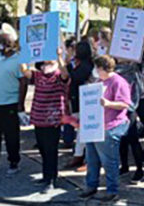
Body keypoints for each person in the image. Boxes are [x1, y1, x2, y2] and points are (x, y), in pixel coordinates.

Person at [79, 55, 131, 202]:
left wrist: (108, 104)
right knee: (92, 159)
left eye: (97, 68)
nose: (95, 71)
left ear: (102, 68)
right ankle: (91, 186)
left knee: (109, 161)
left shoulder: (118, 82)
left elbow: (125, 104)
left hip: (110, 126)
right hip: (95, 126)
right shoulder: (99, 81)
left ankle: (112, 190)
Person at [20, 49, 70, 193]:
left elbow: (65, 74)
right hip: (38, 118)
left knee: (50, 150)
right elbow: (24, 70)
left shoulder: (59, 75)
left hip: (52, 119)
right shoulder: (39, 75)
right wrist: (25, 53)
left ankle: (51, 179)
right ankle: (46, 175)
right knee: (42, 148)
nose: (46, 62)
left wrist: (59, 56)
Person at [0, 26, 27, 177]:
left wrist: (20, 104)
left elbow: (23, 82)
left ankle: (14, 162)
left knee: (11, 135)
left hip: (10, 103)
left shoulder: (19, 59)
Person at [64, 41, 95, 170]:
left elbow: (75, 77)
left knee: (84, 130)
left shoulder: (87, 66)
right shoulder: (81, 64)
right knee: (80, 130)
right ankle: (79, 155)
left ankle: (85, 158)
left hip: (84, 101)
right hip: (77, 100)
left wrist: (68, 66)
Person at [116, 58, 144, 183]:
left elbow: (140, 90)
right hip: (116, 108)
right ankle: (124, 166)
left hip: (129, 108)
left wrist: (132, 105)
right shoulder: (114, 70)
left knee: (133, 140)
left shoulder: (134, 70)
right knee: (122, 139)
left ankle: (139, 169)